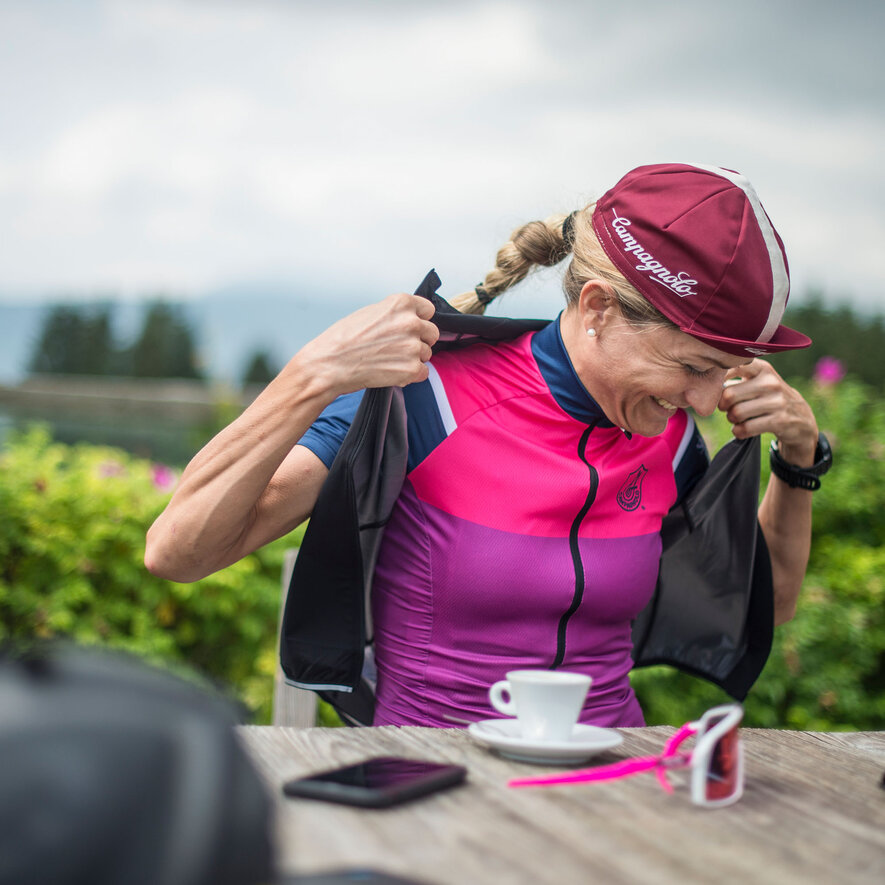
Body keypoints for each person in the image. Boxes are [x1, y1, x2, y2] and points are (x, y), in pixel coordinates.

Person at [145, 163, 824, 728]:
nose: (707, 401)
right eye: (693, 366)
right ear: (597, 309)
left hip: (614, 785)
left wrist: (796, 462)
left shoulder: (668, 431)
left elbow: (770, 603)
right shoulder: (420, 396)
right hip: (433, 782)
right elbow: (180, 551)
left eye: (723, 370)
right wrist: (311, 375)